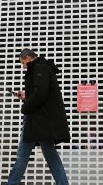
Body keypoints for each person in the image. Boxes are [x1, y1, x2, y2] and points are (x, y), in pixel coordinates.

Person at [7, 48, 70, 185]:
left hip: (37, 120)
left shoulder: (39, 68)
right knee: (50, 154)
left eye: (22, 63)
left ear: (27, 58)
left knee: (22, 154)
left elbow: (40, 93)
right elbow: (41, 92)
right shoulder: (43, 68)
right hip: (43, 122)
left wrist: (25, 107)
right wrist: (26, 96)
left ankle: (11, 183)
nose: (23, 66)